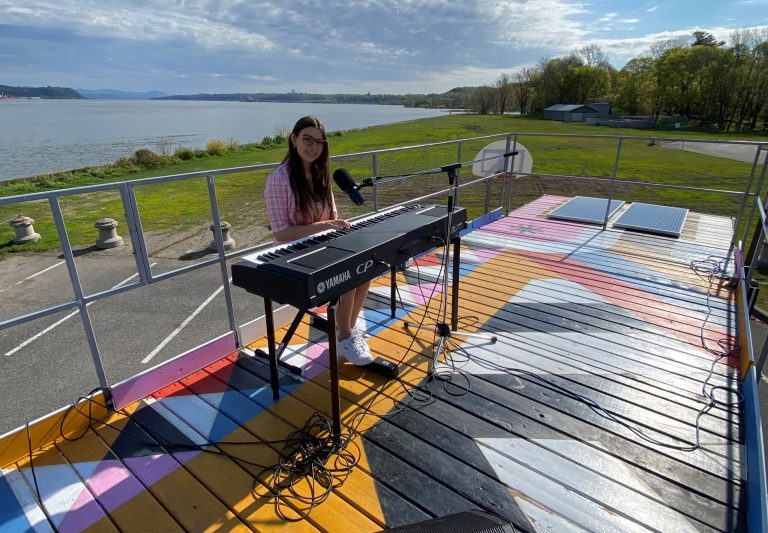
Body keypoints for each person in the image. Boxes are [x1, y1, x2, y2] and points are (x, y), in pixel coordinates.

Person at [264, 116, 373, 366]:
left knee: (367, 264)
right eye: (307, 140)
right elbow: (281, 234)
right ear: (293, 139)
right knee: (348, 270)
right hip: (291, 255)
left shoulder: (320, 174)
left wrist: (336, 226)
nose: (313, 147)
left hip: (322, 246)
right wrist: (323, 226)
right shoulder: (278, 180)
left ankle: (347, 330)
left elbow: (333, 218)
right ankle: (345, 337)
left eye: (319, 142)